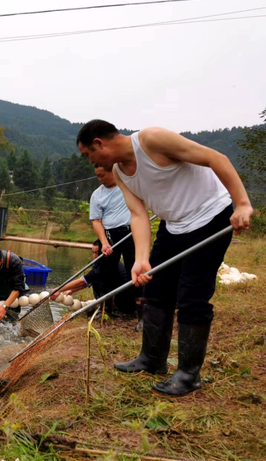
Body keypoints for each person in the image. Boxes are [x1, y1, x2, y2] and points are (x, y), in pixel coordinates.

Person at [76, 119, 252, 397]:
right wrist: (141, 259)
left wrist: (241, 203)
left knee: (192, 295)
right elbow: (138, 214)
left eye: (88, 155)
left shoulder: (152, 140)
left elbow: (215, 158)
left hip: (210, 218)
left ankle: (188, 375)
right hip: (174, 226)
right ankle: (152, 359)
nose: (90, 162)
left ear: (99, 143)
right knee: (155, 289)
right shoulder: (121, 173)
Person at [89, 165, 141, 318]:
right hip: (109, 234)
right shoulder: (97, 195)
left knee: (135, 268)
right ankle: (106, 310)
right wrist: (104, 242)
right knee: (107, 272)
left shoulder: (128, 186)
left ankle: (141, 314)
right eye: (97, 176)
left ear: (113, 172)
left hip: (131, 231)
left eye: (102, 175)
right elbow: (97, 222)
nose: (100, 179)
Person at [61, 240, 135, 315]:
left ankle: (108, 310)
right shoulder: (106, 262)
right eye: (93, 252)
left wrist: (59, 289)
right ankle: (105, 307)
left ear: (103, 251)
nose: (95, 256)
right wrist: (72, 290)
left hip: (125, 303)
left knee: (98, 281)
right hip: (123, 299)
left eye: (97, 252)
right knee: (95, 279)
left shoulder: (107, 265)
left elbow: (83, 281)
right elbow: (88, 280)